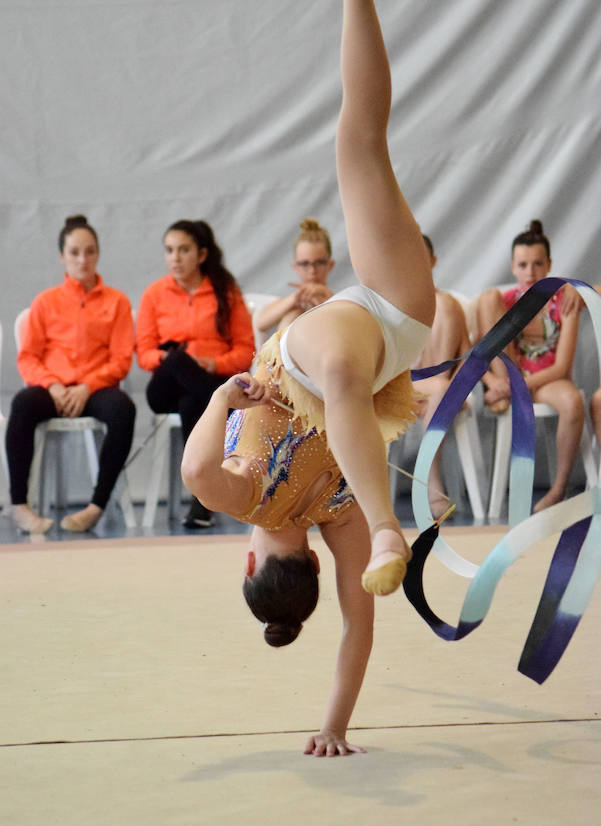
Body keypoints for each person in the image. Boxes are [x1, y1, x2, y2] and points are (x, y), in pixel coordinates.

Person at [182, 0, 435, 755]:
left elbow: (359, 626)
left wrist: (334, 729)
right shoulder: (248, 499)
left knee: (363, 144)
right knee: (357, 143)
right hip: (329, 351)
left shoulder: (333, 522)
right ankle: (394, 519)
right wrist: (224, 395)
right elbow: (196, 469)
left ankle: (394, 520)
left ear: (315, 571)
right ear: (251, 559)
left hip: (397, 328)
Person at [6, 214, 136, 534]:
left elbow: (121, 360)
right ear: (62, 256)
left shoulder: (117, 302)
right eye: (75, 252)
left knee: (123, 409)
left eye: (90, 251)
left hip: (96, 389)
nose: (83, 259)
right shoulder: (46, 301)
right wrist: (51, 385)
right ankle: (19, 505)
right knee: (22, 404)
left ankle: (96, 505)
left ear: (98, 254)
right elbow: (28, 357)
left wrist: (87, 386)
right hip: (53, 389)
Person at [136, 219, 255, 528]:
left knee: (194, 403)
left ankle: (201, 503)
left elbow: (245, 352)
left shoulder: (225, 293)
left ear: (202, 255)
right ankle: (233, 415)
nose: (175, 258)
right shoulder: (154, 294)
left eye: (183, 250)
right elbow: (144, 353)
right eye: (170, 250)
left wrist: (212, 364)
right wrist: (177, 358)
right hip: (164, 388)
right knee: (177, 361)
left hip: (207, 384)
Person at [476, 220, 584, 512]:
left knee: (574, 402)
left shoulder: (564, 301)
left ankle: (558, 489)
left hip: (547, 379)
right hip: (511, 373)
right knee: (486, 299)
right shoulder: (503, 301)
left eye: (537, 264)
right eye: (522, 265)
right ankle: (507, 388)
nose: (530, 272)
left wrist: (512, 388)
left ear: (549, 265)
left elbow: (562, 367)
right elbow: (477, 353)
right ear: (512, 266)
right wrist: (491, 382)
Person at [413, 234, 471, 518]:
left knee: (441, 388)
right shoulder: (392, 303)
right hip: (400, 383)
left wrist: (459, 389)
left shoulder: (447, 304)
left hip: (437, 387)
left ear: (433, 261)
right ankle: (430, 480)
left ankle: (428, 478)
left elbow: (466, 356)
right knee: (439, 388)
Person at [254, 218, 335, 339]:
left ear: (330, 265)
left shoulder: (339, 301)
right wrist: (296, 298)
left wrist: (326, 298)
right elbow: (260, 323)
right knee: (292, 316)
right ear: (295, 267)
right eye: (304, 264)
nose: (312, 271)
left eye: (319, 263)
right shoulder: (294, 302)